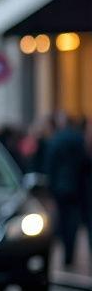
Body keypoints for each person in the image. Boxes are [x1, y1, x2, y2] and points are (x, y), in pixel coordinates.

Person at [44, 114, 91, 268]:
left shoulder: (57, 139)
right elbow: (85, 163)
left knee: (64, 223)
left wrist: (49, 188)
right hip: (78, 187)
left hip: (60, 188)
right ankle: (71, 254)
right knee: (75, 223)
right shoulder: (79, 139)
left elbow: (50, 164)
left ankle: (67, 256)